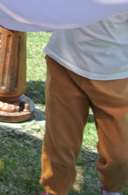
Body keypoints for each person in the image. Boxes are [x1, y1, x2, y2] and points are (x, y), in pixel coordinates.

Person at [40, 12, 128, 195]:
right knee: (60, 145)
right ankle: (55, 190)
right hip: (65, 61)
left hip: (116, 73)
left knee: (120, 155)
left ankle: (111, 190)